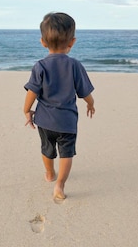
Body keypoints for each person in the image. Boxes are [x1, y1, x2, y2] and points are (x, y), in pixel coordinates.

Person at [23, 12, 95, 202]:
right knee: (67, 153)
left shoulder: (40, 66)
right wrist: (91, 103)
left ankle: (49, 173)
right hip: (67, 122)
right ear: (72, 42)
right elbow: (84, 91)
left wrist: (26, 111)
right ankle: (60, 184)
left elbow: (32, 92)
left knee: (47, 149)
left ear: (42, 42)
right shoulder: (75, 65)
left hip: (44, 120)